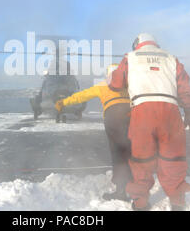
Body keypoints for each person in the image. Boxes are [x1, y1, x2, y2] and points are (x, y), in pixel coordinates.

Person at [109, 33, 190, 211]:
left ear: (137, 44)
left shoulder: (130, 57)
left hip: (142, 112)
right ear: (155, 44)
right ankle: (177, 200)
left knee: (141, 160)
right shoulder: (171, 58)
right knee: (173, 158)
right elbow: (184, 87)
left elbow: (116, 84)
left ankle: (140, 202)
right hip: (170, 111)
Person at [55, 64, 132, 200]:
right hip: (131, 116)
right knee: (131, 151)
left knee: (118, 153)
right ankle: (135, 184)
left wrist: (63, 102)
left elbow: (81, 96)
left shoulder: (103, 85)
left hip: (113, 117)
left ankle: (121, 191)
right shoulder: (129, 85)